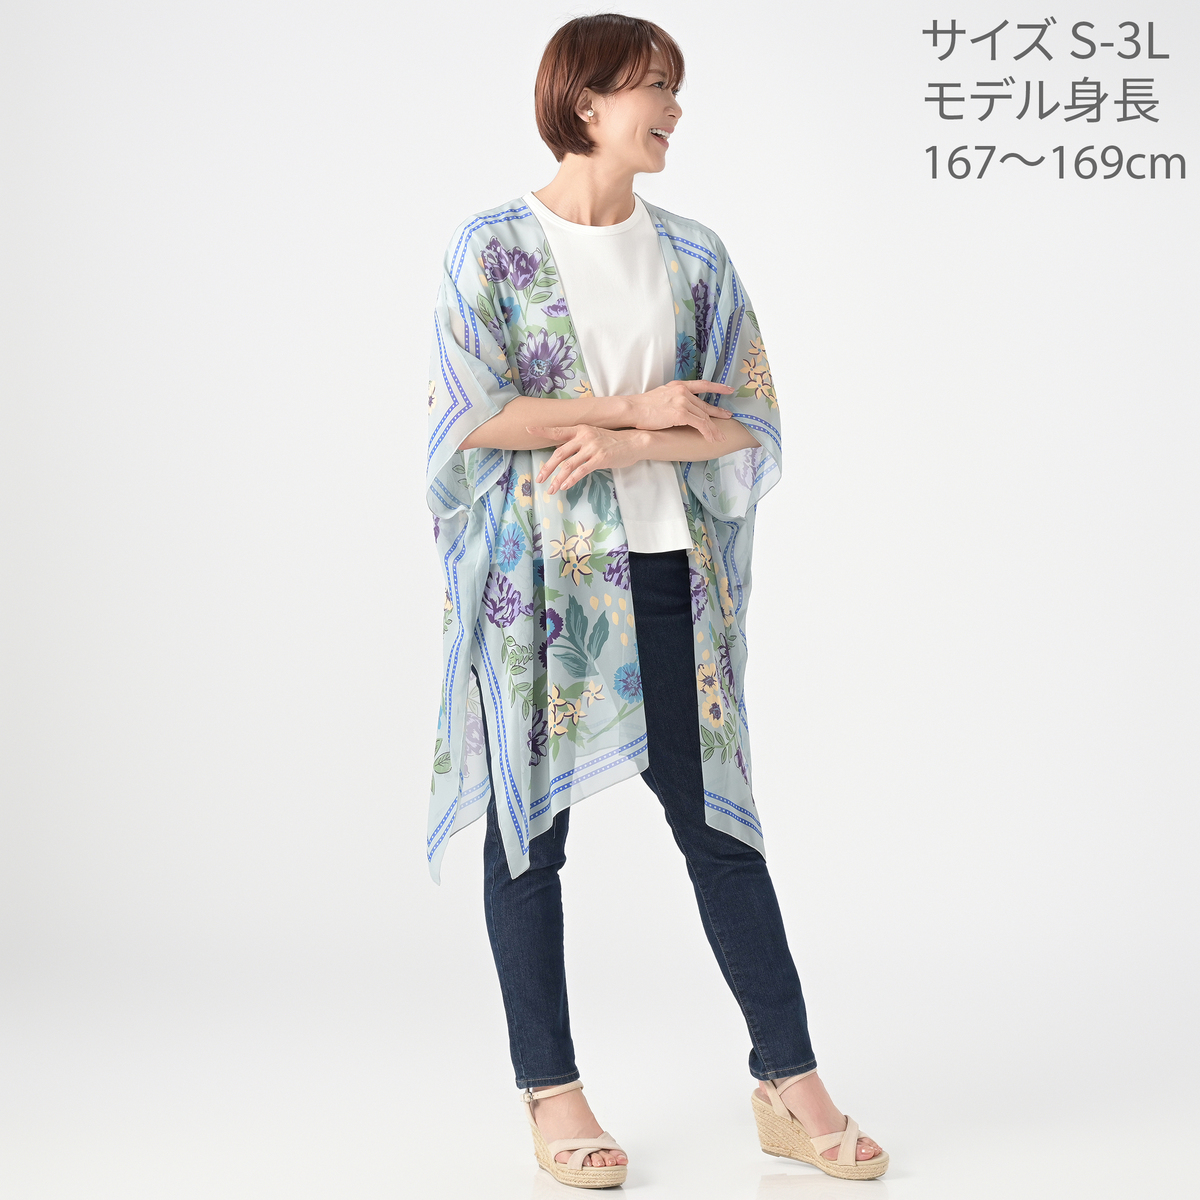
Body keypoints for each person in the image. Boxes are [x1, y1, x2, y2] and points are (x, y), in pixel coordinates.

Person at [423, 13, 887, 1187]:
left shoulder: (695, 257)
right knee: (529, 844)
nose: (673, 108)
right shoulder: (491, 249)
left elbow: (745, 422)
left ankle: (791, 1086)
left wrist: (642, 445)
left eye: (675, 88)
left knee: (722, 833)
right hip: (540, 592)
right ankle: (553, 1094)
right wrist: (630, 410)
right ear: (585, 103)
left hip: (672, 575)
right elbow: (472, 416)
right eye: (653, 87)